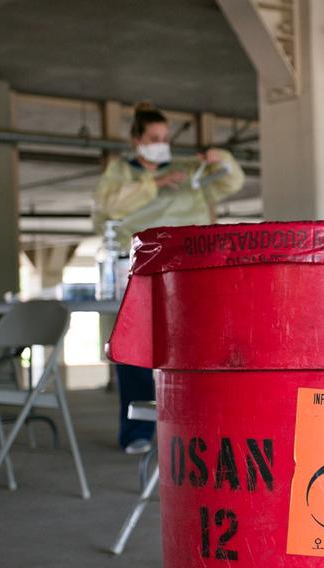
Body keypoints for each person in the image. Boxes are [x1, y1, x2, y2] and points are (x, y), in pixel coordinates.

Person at [93, 102, 245, 454]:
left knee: (199, 348)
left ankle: (204, 427)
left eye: (165, 137)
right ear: (136, 140)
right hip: (143, 268)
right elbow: (107, 208)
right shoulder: (120, 173)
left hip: (192, 269)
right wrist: (155, 182)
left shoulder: (187, 169)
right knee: (135, 351)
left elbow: (231, 180)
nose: (161, 143)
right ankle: (137, 433)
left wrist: (216, 157)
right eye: (153, 137)